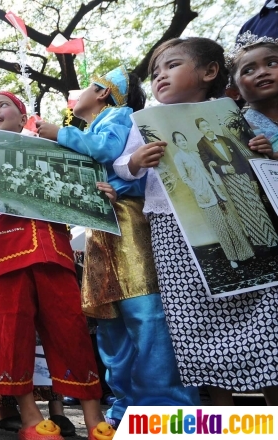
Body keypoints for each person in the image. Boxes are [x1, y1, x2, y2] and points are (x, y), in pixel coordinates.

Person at [114, 36, 278, 406]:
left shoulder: (232, 114)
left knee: (266, 312)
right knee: (196, 321)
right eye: (155, 72)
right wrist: (137, 161)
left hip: (235, 207)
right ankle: (225, 420)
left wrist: (263, 151)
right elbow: (121, 167)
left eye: (172, 65)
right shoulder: (144, 124)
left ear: (209, 71)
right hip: (171, 228)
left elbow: (254, 165)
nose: (160, 77)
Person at [0, 91, 106, 440]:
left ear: (22, 116)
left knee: (70, 331)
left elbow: (77, 195)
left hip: (51, 251)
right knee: (7, 334)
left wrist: (99, 191)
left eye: (3, 106)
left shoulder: (54, 153)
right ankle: (31, 419)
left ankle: (95, 419)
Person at [37, 66, 199, 428]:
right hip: (99, 229)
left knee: (146, 314)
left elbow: (107, 152)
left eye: (85, 88)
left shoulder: (118, 116)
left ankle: (164, 412)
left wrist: (58, 132)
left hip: (129, 223)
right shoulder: (89, 129)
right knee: (110, 322)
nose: (76, 95)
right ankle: (124, 408)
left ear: (104, 93)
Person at [171, 131, 254, 268]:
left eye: (183, 139)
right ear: (176, 143)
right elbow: (185, 178)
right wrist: (199, 191)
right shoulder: (178, 158)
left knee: (232, 222)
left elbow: (208, 171)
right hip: (204, 195)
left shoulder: (195, 154)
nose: (183, 142)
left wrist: (215, 179)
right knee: (221, 228)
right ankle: (232, 258)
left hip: (215, 190)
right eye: (179, 141)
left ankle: (246, 253)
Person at [195, 117, 278, 248]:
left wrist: (251, 179)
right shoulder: (201, 144)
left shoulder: (225, 139)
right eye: (203, 127)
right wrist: (222, 168)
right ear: (200, 130)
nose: (207, 128)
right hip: (228, 179)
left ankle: (272, 238)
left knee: (256, 204)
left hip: (242, 174)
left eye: (207, 125)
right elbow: (206, 163)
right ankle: (259, 241)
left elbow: (241, 158)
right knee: (243, 207)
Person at [229, 31, 278, 159]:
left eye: (272, 64)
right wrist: (269, 157)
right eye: (248, 71)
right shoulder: (243, 129)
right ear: (235, 92)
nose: (262, 72)